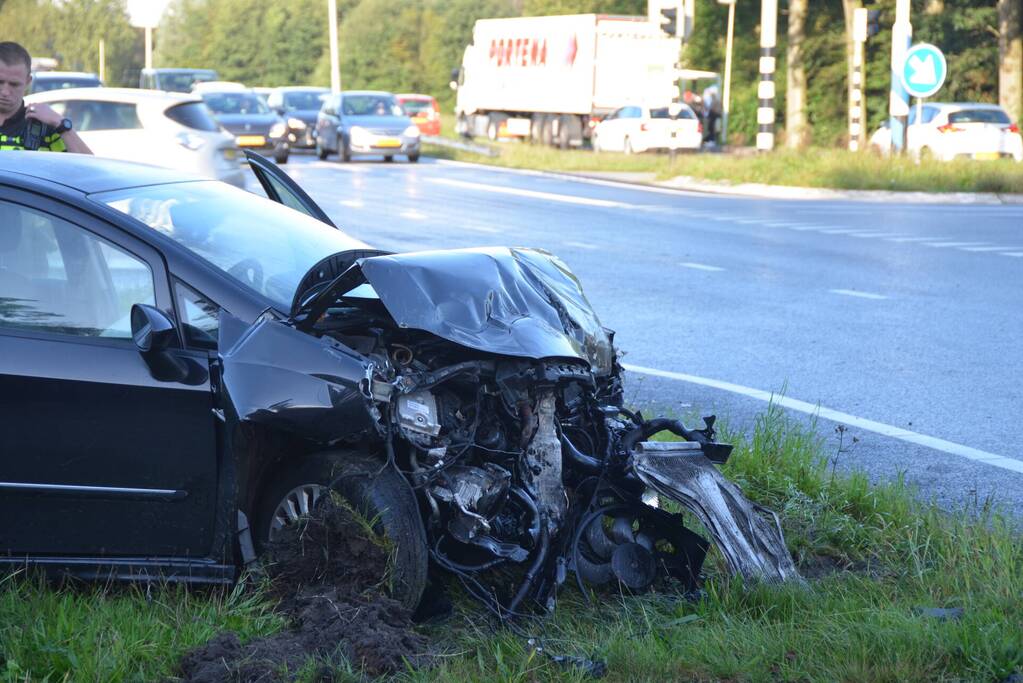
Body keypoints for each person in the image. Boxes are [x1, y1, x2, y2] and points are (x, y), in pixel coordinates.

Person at [0, 41, 91, 153]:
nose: (5, 92)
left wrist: (60, 123)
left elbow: (88, 166)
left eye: (14, 84)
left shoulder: (43, 128)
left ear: (28, 82)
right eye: (0, 82)